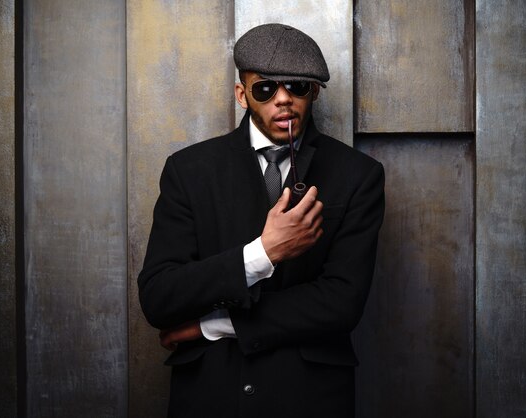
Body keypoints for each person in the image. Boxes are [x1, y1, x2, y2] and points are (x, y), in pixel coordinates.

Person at [138, 23, 385, 418]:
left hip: (309, 397)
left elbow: (342, 303)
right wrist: (263, 253)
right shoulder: (189, 171)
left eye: (297, 87)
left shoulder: (358, 175)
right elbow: (159, 296)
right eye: (266, 88)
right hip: (211, 395)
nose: (283, 100)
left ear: (314, 92)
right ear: (242, 94)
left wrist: (215, 325)